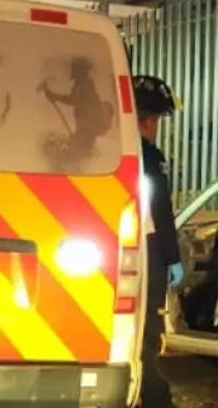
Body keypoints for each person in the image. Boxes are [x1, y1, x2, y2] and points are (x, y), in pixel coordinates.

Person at [133, 74, 183, 408]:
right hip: (146, 253)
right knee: (147, 327)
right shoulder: (149, 158)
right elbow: (161, 213)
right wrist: (172, 257)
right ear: (148, 120)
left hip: (114, 249)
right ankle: (153, 397)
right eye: (155, 119)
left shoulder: (114, 153)